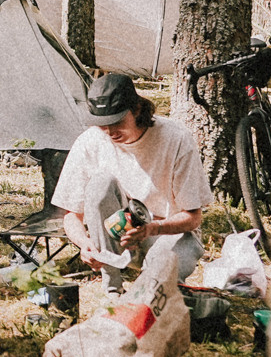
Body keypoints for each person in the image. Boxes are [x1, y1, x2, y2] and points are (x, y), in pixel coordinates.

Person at [52, 73, 208, 292]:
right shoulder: (90, 141)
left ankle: (152, 281)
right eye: (101, 125)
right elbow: (72, 216)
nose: (109, 132)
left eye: (116, 122)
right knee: (100, 184)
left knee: (154, 288)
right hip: (118, 241)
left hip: (168, 234)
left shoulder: (176, 138)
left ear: (136, 109)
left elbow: (193, 218)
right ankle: (112, 288)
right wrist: (83, 243)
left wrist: (151, 229)